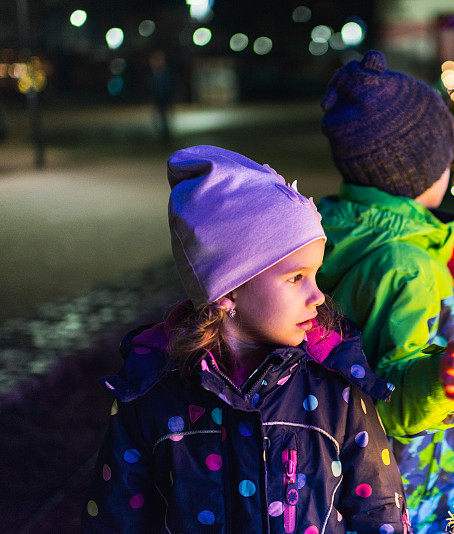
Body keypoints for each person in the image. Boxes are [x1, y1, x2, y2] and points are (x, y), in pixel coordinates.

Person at [83, 145, 410, 533]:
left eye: (316, 275)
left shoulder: (335, 386)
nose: (318, 296)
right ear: (229, 291)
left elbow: (381, 511)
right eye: (296, 278)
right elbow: (116, 519)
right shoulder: (151, 394)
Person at [317, 51, 454, 533]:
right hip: (409, 490)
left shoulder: (343, 233)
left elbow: (419, 330)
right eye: (446, 160)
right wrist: (444, 378)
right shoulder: (407, 264)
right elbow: (389, 394)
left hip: (354, 485)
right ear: (417, 172)